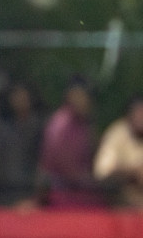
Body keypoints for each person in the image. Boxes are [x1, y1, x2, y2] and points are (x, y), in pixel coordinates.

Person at [40, 77, 106, 208]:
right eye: (78, 95)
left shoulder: (85, 124)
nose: (83, 100)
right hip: (62, 194)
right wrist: (92, 181)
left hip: (83, 191)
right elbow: (64, 166)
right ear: (69, 96)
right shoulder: (60, 124)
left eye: (85, 96)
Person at [94, 94, 143, 209]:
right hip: (129, 209)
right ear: (128, 117)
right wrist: (135, 172)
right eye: (138, 114)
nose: (142, 118)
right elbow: (103, 172)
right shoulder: (117, 135)